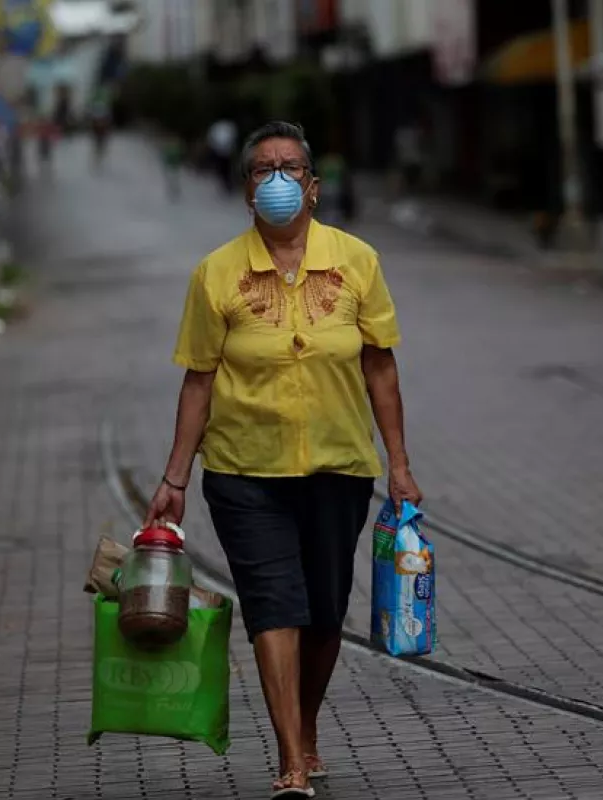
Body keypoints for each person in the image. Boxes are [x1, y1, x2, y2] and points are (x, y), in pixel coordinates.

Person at [144, 121, 422, 798]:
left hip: (339, 467)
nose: (277, 180)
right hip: (245, 471)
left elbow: (380, 367)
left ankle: (306, 727)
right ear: (246, 191)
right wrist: (175, 477)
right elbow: (200, 379)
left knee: (326, 612)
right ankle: (292, 762)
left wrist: (400, 463)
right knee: (275, 606)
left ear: (314, 186)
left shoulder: (357, 261)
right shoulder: (216, 274)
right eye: (263, 169)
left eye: (290, 167)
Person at [207, 117, 238, 195]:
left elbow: (212, 139)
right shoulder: (224, 126)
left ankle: (228, 185)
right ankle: (227, 185)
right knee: (224, 169)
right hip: (222, 152)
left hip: (224, 152)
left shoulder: (224, 126)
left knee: (225, 169)